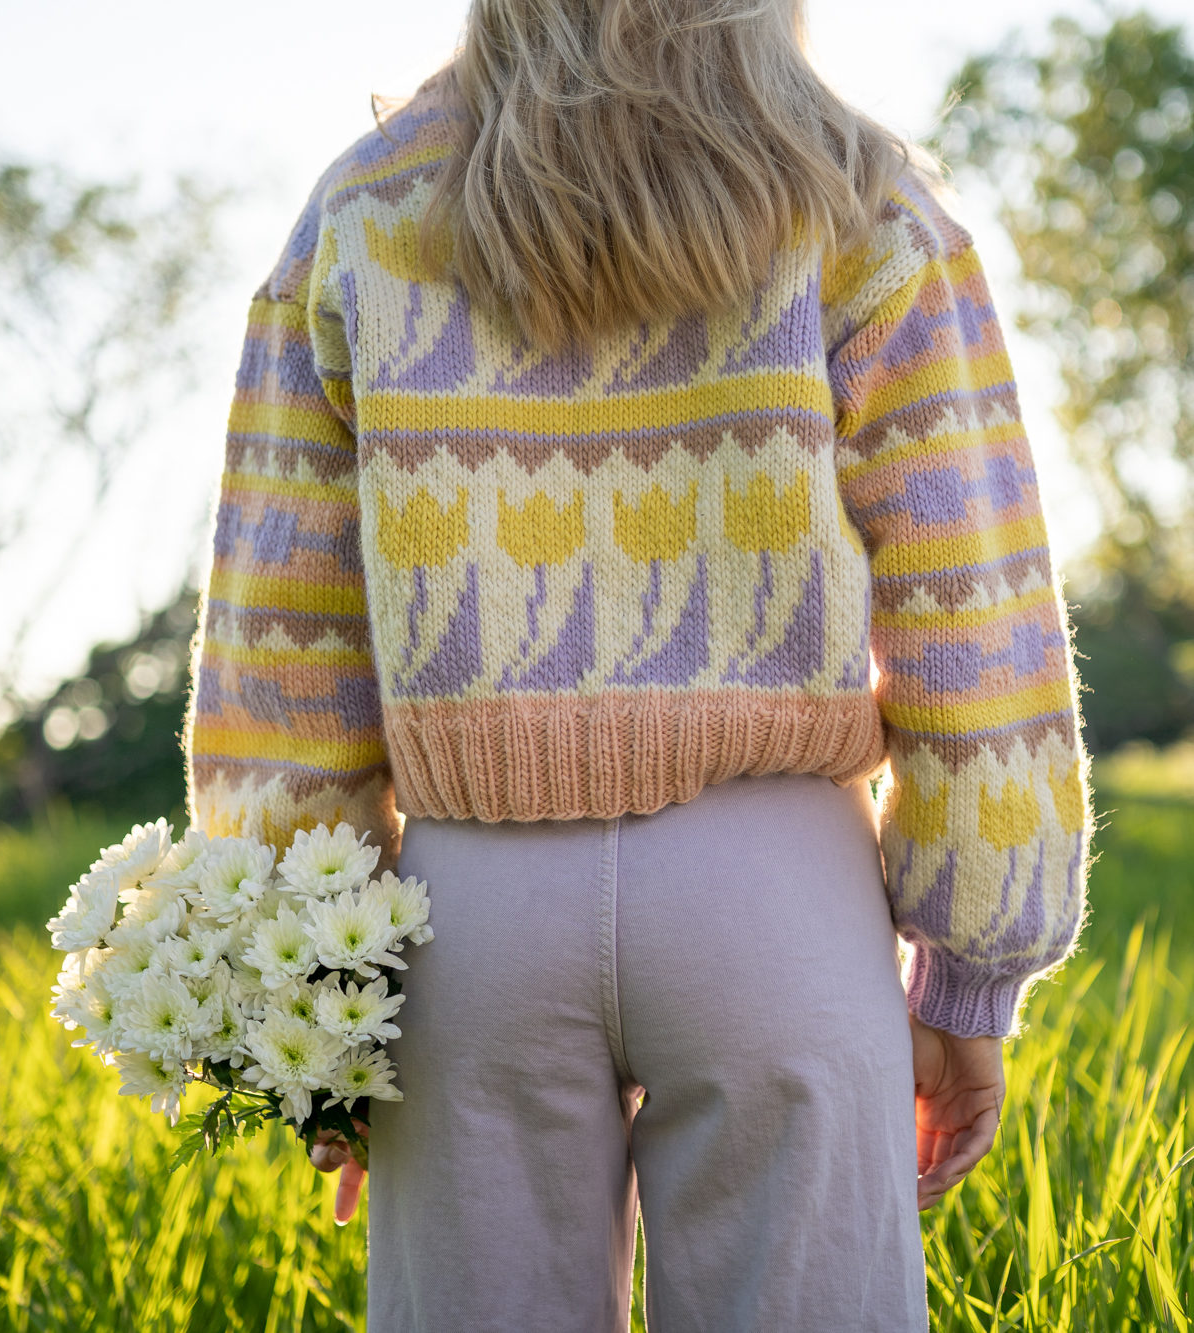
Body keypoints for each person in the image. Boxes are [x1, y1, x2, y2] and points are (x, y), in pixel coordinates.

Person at [182, 1, 1093, 1327]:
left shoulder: (363, 210)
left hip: (469, 923)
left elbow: (283, 648)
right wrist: (970, 971)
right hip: (778, 896)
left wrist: (317, 1005)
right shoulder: (859, 197)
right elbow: (975, 609)